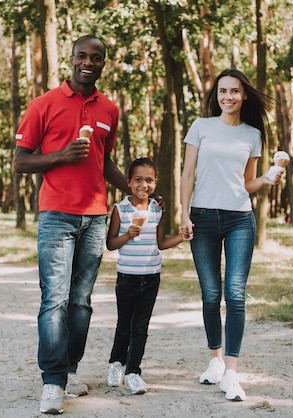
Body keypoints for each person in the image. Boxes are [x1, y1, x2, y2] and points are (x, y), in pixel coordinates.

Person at [13, 35, 130, 415]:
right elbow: (20, 160)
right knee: (55, 300)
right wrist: (61, 155)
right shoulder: (43, 104)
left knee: (81, 303)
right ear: (72, 58)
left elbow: (104, 161)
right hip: (56, 215)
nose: (88, 62)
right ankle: (52, 383)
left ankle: (70, 372)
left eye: (96, 57)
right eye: (82, 55)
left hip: (95, 217)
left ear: (103, 63)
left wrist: (135, 192)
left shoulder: (109, 110)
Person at [180, 68, 282, 402]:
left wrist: (265, 179)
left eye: (234, 91)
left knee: (235, 294)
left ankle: (232, 373)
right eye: (223, 91)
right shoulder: (201, 127)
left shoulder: (252, 134)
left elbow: (246, 183)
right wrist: (184, 214)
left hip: (239, 219)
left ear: (244, 95)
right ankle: (215, 361)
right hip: (203, 218)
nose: (228, 97)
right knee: (211, 294)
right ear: (216, 95)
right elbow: (188, 174)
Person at [105, 158, 186, 395]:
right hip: (127, 277)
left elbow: (160, 243)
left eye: (149, 180)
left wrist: (182, 238)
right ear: (129, 182)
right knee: (124, 326)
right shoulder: (121, 209)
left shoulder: (156, 209)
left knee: (140, 327)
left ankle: (133, 372)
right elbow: (110, 244)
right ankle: (116, 364)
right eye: (138, 179)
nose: (144, 184)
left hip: (151, 277)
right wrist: (127, 235)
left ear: (155, 183)